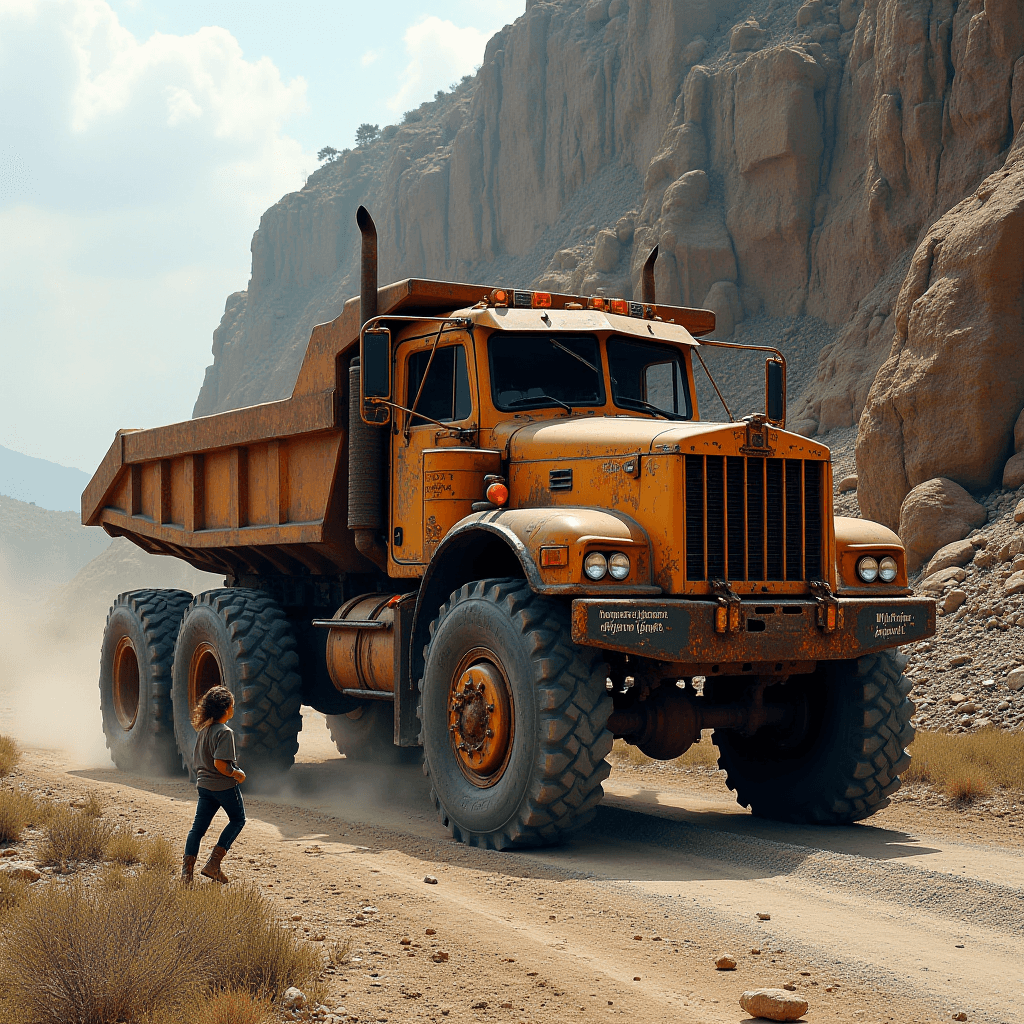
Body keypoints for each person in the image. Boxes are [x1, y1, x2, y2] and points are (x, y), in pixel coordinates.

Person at [181, 685, 247, 883]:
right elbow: (220, 763)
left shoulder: (203, 731)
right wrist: (237, 774)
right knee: (238, 820)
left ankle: (187, 874)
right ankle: (213, 864)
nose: (233, 710)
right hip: (223, 787)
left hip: (204, 787)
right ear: (226, 709)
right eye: (232, 706)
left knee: (197, 830)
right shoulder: (225, 732)